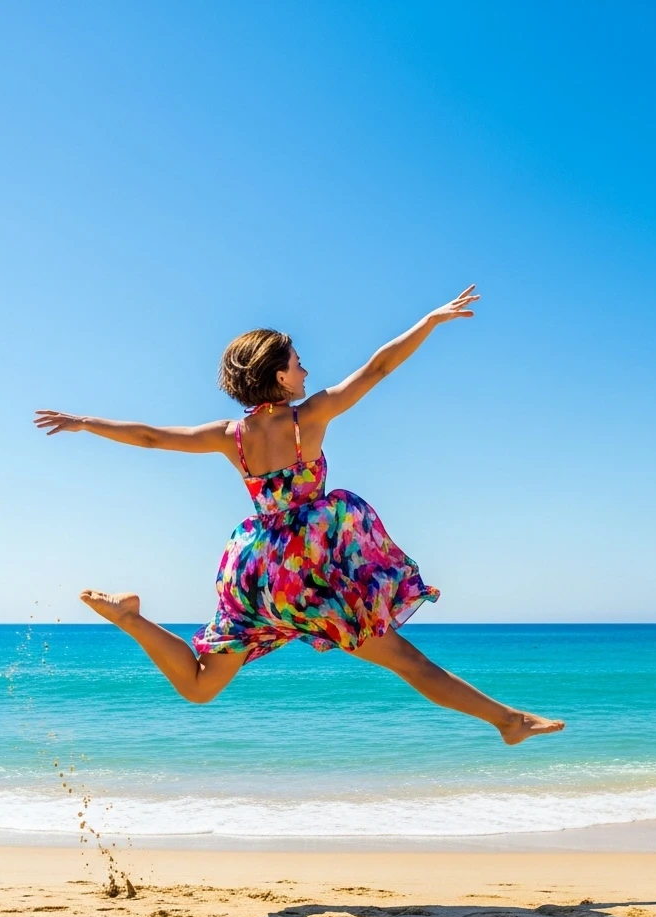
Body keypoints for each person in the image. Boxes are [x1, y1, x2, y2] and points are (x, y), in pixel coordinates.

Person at [34, 285, 564, 744]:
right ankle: (507, 721)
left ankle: (131, 618)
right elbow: (378, 368)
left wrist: (85, 421)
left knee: (199, 687)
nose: (306, 368)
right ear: (280, 377)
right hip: (305, 571)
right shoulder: (306, 419)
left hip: (254, 567)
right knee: (408, 661)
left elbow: (150, 437)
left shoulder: (230, 436)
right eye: (298, 362)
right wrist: (429, 321)